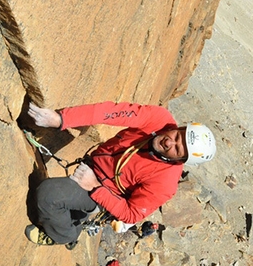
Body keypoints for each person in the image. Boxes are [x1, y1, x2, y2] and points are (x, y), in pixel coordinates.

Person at [25, 101, 216, 249]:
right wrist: (62, 119)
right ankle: (76, 218)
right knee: (69, 203)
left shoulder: (164, 182)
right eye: (177, 136)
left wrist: (95, 187)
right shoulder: (159, 119)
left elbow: (131, 214)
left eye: (178, 149)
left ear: (181, 160)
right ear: (180, 127)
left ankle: (64, 236)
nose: (169, 142)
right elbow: (111, 112)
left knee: (49, 194)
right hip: (94, 166)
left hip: (103, 191)